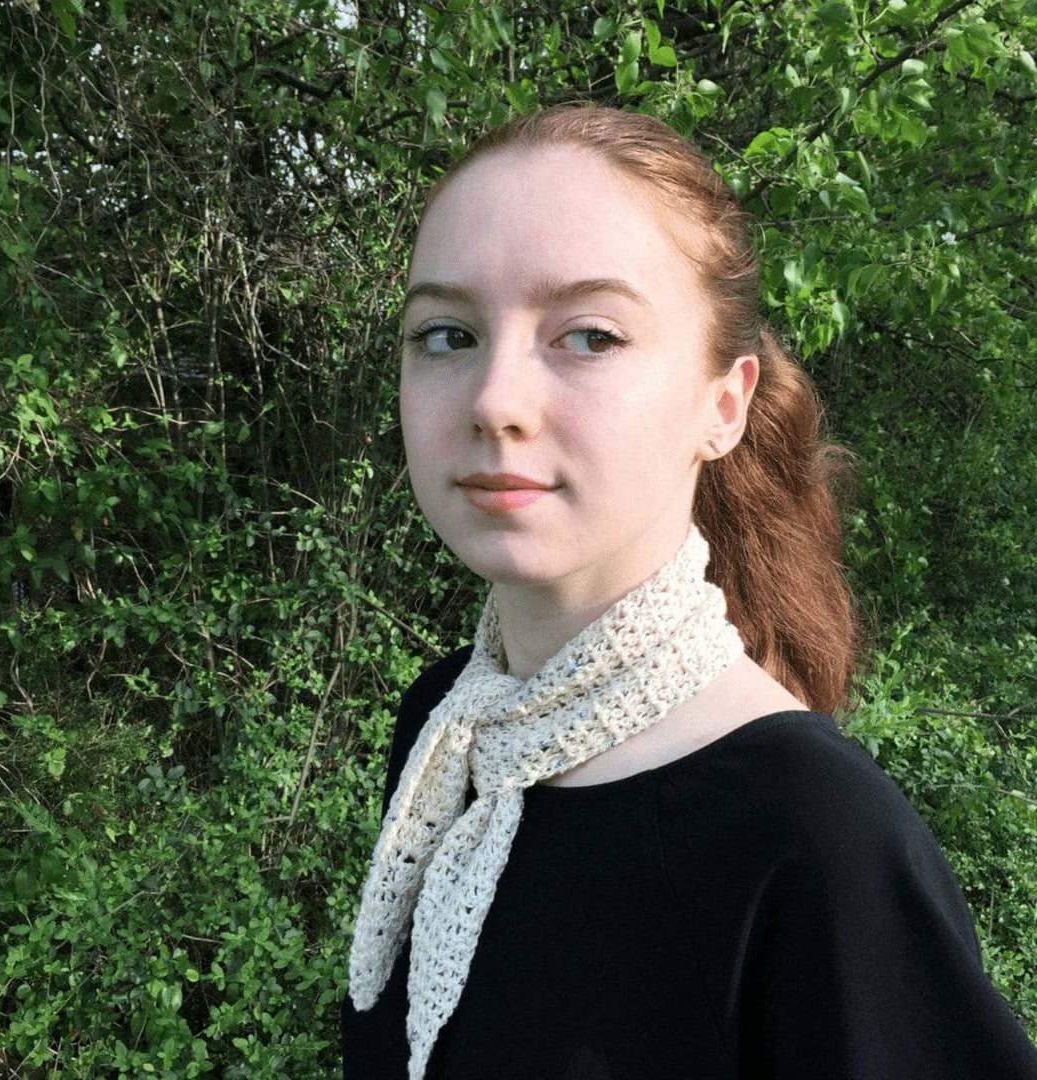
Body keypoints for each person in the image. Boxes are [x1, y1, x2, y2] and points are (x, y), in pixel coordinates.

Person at [339, 103, 1037, 1080]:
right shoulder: (447, 734)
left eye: (587, 336)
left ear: (725, 403)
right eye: (447, 334)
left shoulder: (812, 842)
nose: (495, 400)